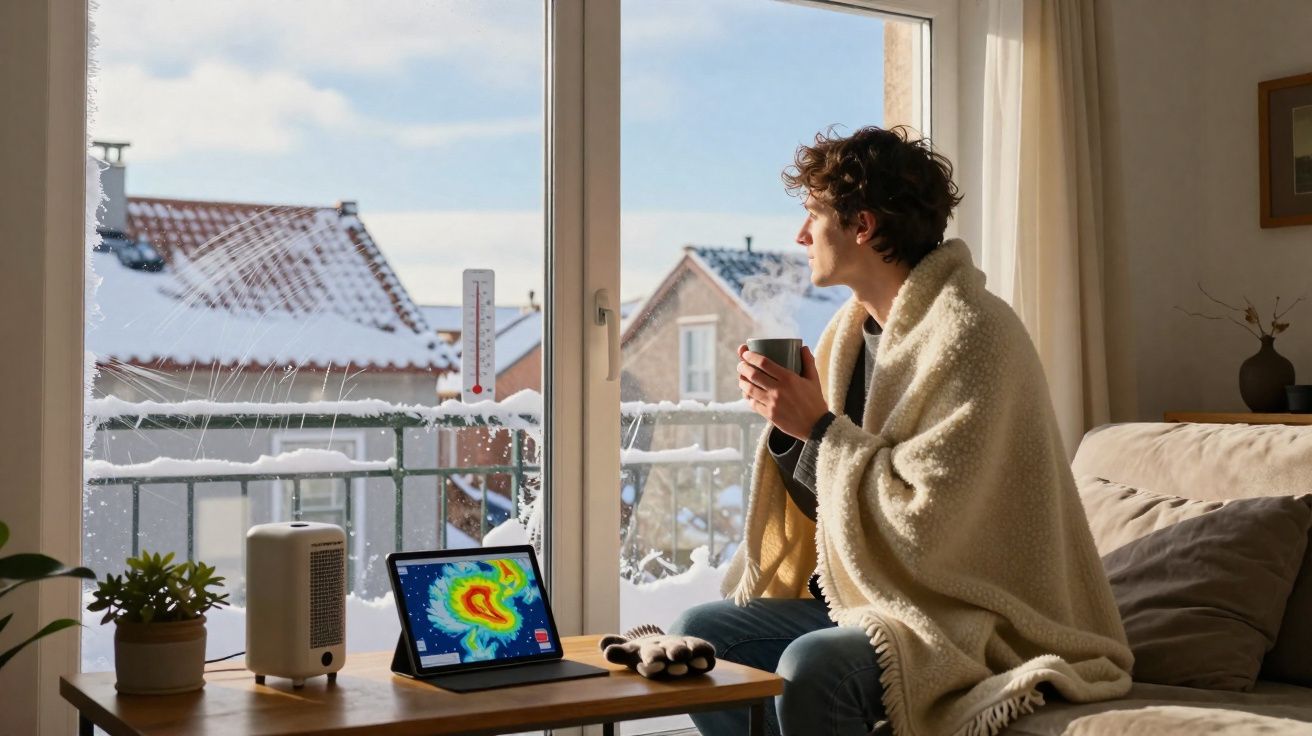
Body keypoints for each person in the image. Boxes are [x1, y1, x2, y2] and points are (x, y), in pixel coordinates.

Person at [670, 126, 1133, 736]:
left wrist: (818, 426)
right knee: (700, 637)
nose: (800, 236)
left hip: (965, 617)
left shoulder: (974, 334)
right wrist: (790, 429)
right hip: (871, 599)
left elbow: (927, 525)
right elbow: (839, 508)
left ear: (862, 226)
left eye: (813, 215)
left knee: (815, 665)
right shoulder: (845, 336)